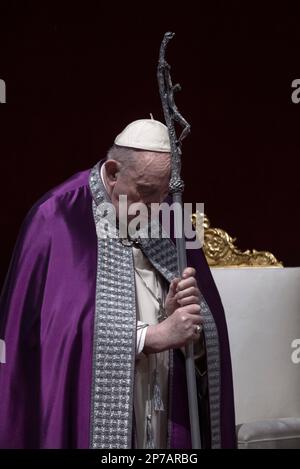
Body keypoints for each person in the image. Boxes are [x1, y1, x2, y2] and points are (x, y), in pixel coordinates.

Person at [0, 118, 236, 449]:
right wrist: (150, 337)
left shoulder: (166, 212)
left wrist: (188, 323)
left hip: (164, 404)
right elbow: (55, 336)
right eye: (146, 192)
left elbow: (208, 324)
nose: (155, 209)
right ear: (113, 173)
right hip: (90, 407)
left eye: (164, 193)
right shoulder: (57, 217)